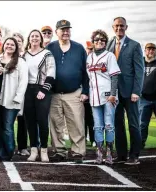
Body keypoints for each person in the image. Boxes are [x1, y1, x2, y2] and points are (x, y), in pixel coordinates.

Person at [47, 19, 89, 163]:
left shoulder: (79, 48)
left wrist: (85, 91)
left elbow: (86, 72)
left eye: (67, 29)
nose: (65, 32)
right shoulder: (50, 47)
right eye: (62, 30)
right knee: (56, 124)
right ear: (56, 32)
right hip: (54, 93)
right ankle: (59, 151)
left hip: (74, 92)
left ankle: (78, 152)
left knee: (76, 123)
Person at [106, 17, 144, 165]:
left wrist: (136, 91)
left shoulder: (134, 45)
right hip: (114, 93)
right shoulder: (109, 44)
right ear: (112, 27)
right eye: (116, 26)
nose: (119, 28)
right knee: (118, 124)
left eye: (122, 26)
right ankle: (121, 155)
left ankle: (134, 155)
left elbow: (139, 71)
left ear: (126, 27)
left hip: (130, 93)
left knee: (134, 124)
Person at [86, 29, 121, 164]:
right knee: (97, 126)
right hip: (94, 95)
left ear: (106, 42)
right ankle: (99, 153)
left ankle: (109, 153)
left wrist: (113, 94)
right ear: (93, 42)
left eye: (102, 40)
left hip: (108, 95)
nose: (99, 42)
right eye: (97, 40)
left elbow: (114, 76)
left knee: (109, 125)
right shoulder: (89, 57)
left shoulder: (109, 56)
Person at [23, 29, 56, 162]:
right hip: (27, 90)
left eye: (37, 36)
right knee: (30, 121)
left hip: (42, 89)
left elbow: (51, 73)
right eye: (32, 36)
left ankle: (43, 150)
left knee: (42, 120)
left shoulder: (47, 54)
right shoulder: (24, 55)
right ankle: (33, 150)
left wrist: (44, 90)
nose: (35, 38)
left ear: (41, 39)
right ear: (29, 39)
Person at [0, 37, 28, 160]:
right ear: (3, 45)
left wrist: (18, 97)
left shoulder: (20, 62)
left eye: (12, 45)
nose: (9, 46)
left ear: (16, 48)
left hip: (11, 99)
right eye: (7, 44)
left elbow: (23, 81)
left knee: (8, 127)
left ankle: (8, 153)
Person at [12, 32, 30, 156]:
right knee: (8, 121)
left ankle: (23, 147)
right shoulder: (5, 56)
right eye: (15, 40)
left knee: (23, 120)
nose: (17, 43)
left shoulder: (26, 57)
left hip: (24, 92)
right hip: (9, 92)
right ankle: (10, 146)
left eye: (19, 41)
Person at [84, 41, 95, 147]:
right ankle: (83, 140)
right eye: (89, 49)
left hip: (93, 96)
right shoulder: (84, 61)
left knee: (91, 120)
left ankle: (93, 140)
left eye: (92, 49)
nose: (90, 51)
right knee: (82, 121)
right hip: (84, 96)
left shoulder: (96, 61)